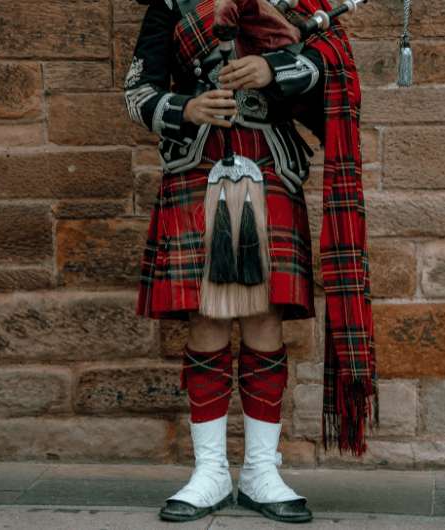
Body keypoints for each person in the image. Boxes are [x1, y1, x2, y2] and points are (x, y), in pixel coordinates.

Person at [124, 0, 378, 523]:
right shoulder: (171, 6)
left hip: (270, 167)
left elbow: (330, 67)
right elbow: (138, 92)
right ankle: (210, 472)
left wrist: (272, 68)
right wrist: (186, 108)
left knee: (264, 316)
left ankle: (263, 471)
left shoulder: (294, 4)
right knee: (207, 317)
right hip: (196, 168)